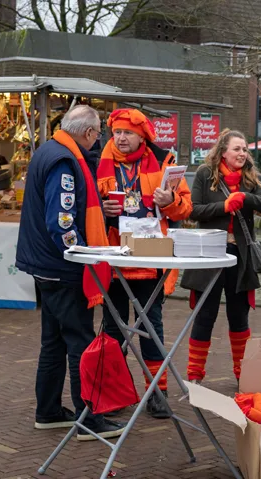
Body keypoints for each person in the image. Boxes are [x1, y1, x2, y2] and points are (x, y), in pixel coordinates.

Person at [16, 105, 125, 441]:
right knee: (79, 339)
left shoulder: (49, 150)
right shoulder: (65, 161)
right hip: (63, 267)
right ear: (89, 133)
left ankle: (48, 411)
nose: (98, 142)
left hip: (45, 266)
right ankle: (88, 417)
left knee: (53, 341)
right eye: (98, 135)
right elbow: (61, 220)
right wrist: (83, 253)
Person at [96, 108, 193, 418]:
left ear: (142, 136)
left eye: (127, 133)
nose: (121, 138)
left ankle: (157, 392)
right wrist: (102, 208)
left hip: (151, 260)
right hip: (113, 259)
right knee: (112, 329)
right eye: (117, 132)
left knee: (152, 326)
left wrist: (171, 202)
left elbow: (185, 208)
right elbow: (87, 207)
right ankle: (111, 393)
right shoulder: (97, 162)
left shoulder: (165, 162)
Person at [180, 129, 261, 386]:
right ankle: (194, 376)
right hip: (209, 254)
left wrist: (245, 198)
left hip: (239, 256)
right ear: (223, 151)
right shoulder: (204, 174)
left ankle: (242, 375)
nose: (242, 153)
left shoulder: (249, 177)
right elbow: (194, 210)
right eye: (237, 149)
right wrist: (223, 206)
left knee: (239, 317)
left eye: (244, 149)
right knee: (204, 315)